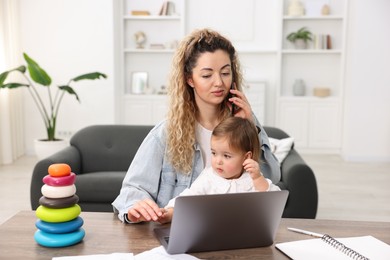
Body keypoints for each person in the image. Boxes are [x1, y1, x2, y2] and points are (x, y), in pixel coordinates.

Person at [112, 28, 281, 223]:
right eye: (207, 75)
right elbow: (131, 191)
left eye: (225, 72)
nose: (219, 82)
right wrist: (137, 208)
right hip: (180, 234)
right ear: (189, 79)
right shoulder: (166, 133)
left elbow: (272, 178)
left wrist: (252, 126)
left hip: (236, 230)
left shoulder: (245, 124)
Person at [159, 117, 281, 223]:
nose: (218, 161)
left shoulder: (252, 179)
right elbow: (187, 198)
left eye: (226, 156)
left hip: (245, 234)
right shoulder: (209, 178)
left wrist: (258, 178)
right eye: (214, 153)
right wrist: (169, 213)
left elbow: (275, 202)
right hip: (212, 232)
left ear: (246, 157)